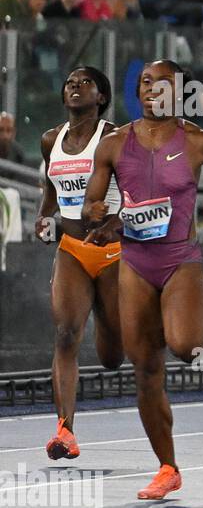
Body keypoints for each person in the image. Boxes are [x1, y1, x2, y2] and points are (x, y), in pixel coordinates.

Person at [84, 60, 203, 500]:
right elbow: (91, 203)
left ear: (177, 92)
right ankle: (167, 467)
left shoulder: (200, 142)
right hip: (136, 264)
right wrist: (100, 214)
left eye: (159, 84)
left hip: (181, 260)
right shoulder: (114, 143)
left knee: (185, 346)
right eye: (143, 83)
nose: (149, 90)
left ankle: (182, 315)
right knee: (145, 370)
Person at [36, 67, 123, 461]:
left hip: (114, 252)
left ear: (101, 96)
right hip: (71, 247)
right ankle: (65, 430)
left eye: (85, 82)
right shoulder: (50, 140)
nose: (74, 86)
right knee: (66, 334)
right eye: (69, 81)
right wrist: (43, 217)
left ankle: (108, 323)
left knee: (111, 356)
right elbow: (50, 188)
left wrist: (117, 221)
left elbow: (140, 188)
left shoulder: (114, 137)